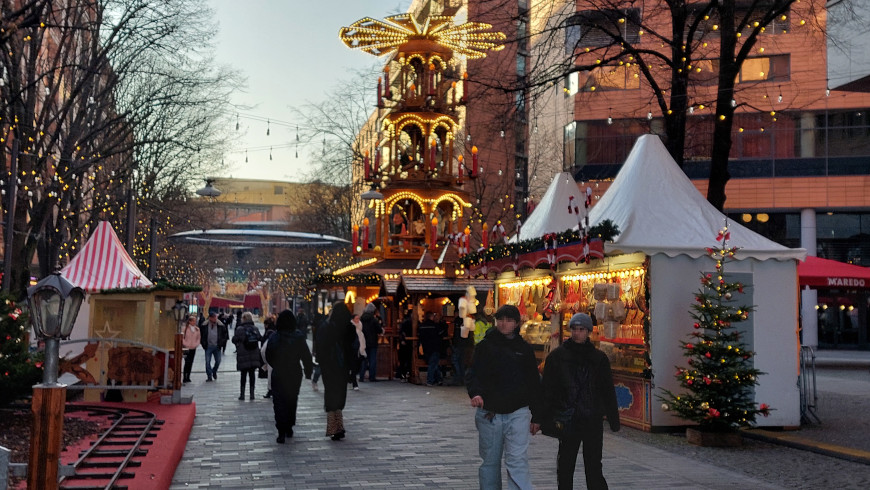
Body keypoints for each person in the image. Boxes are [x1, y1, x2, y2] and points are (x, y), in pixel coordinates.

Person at [466, 304, 543, 490]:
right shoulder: (485, 346)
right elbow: (473, 373)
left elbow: (533, 383)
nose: (504, 324)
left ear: (516, 323)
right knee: (490, 461)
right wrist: (475, 393)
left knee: (517, 459)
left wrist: (538, 416)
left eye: (509, 320)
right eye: (500, 319)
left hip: (518, 411)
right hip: (489, 412)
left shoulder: (524, 349)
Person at [541, 313, 620, 490]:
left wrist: (613, 419)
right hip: (568, 417)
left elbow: (607, 389)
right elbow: (548, 389)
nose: (577, 333)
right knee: (565, 465)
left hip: (592, 418)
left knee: (593, 465)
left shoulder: (598, 358)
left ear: (588, 332)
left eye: (581, 329)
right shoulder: (557, 357)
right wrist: (543, 418)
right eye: (574, 329)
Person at [263, 309, 313, 443]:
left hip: (279, 372)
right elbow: (306, 356)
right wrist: (308, 371)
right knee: (291, 400)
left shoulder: (274, 337)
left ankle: (281, 430)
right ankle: (289, 425)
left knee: (279, 402)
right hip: (294, 372)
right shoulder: (298, 336)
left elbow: (268, 355)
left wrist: (275, 365)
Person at [314, 301, 355, 441]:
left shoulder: (326, 327)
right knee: (340, 394)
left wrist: (321, 361)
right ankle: (339, 425)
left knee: (331, 394)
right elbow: (352, 349)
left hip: (329, 366)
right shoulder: (349, 328)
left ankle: (333, 427)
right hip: (343, 367)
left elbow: (320, 346)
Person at [232, 311, 263, 400]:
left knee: (243, 375)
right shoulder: (255, 328)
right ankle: (252, 394)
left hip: (243, 354)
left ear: (244, 319)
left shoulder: (239, 329)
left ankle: (242, 395)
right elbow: (260, 338)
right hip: (253, 354)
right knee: (252, 374)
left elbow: (235, 340)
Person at [418, 311, 445, 386]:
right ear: (432, 317)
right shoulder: (435, 326)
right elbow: (441, 333)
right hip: (435, 346)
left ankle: (439, 379)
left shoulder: (422, 326)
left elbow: (420, 336)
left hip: (426, 347)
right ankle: (430, 380)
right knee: (433, 364)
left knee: (434, 363)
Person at [359, 303, 384, 382]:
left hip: (364, 341)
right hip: (373, 341)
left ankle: (361, 376)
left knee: (364, 359)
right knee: (372, 359)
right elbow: (379, 330)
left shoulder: (361, 319)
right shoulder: (374, 320)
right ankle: (372, 377)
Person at [199, 312, 228, 382]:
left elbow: (225, 335)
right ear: (210, 318)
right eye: (214, 317)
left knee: (218, 361)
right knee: (207, 362)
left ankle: (214, 371)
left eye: (216, 317)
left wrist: (221, 343)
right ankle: (209, 376)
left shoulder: (220, 325)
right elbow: (201, 335)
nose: (215, 319)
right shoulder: (204, 325)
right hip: (208, 346)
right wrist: (203, 344)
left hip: (217, 346)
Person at [261, 314, 278, 398]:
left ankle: (271, 390)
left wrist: (265, 361)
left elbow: (264, 349)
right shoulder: (277, 332)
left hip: (271, 358)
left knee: (271, 375)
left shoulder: (269, 334)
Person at [181, 314, 200, 383]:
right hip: (187, 348)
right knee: (187, 362)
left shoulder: (197, 329)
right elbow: (182, 337)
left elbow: (198, 338)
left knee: (191, 362)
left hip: (193, 348)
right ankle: (184, 376)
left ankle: (188, 376)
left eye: (195, 321)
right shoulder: (185, 329)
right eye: (193, 321)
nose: (195, 322)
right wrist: (185, 344)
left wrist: (196, 344)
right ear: (190, 321)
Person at [395, 310, 413, 380]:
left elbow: (401, 332)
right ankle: (404, 374)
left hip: (407, 342)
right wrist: (402, 340)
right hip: (407, 343)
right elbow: (402, 332)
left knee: (404, 360)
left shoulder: (406, 322)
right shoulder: (408, 323)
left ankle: (403, 374)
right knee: (406, 359)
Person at [349, 313, 365, 391]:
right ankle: (354, 383)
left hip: (360, 348)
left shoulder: (360, 326)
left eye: (358, 318)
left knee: (358, 364)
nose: (358, 320)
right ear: (353, 319)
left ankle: (351, 378)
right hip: (352, 349)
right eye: (356, 318)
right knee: (354, 366)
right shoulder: (351, 327)